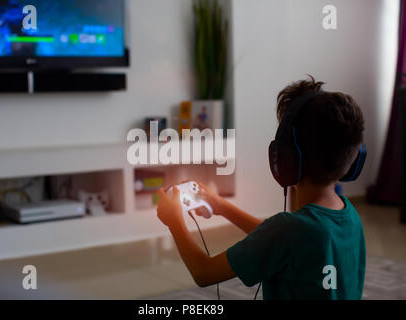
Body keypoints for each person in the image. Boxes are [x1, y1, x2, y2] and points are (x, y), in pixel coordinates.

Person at [156, 76, 366, 300]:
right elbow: (277, 239)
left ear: (286, 156)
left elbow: (204, 272)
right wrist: (222, 206)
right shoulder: (350, 217)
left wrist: (175, 222)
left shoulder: (289, 229)